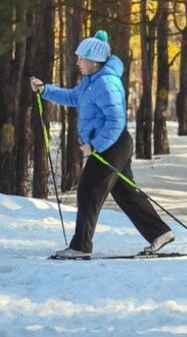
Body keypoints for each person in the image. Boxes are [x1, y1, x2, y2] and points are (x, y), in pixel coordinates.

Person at [30, 30, 174, 259]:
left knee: (88, 191)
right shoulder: (90, 81)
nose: (77, 62)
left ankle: (80, 246)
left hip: (112, 145)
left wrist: (95, 146)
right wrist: (45, 90)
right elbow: (72, 97)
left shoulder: (106, 83)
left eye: (81, 58)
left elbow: (116, 121)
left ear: (94, 61)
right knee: (126, 193)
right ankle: (160, 233)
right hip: (113, 144)